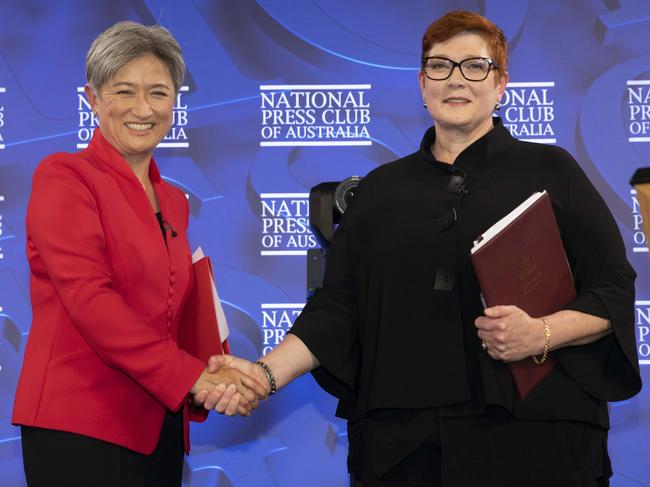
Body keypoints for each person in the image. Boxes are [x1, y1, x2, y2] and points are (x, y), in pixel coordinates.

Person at [202, 10, 642, 487]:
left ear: (501, 85)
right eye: (440, 66)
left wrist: (541, 333)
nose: (456, 80)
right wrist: (261, 376)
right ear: (422, 83)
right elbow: (335, 313)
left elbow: (613, 291)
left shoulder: (553, 171)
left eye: (475, 66)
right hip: (404, 448)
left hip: (538, 440)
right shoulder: (379, 192)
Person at [11, 21, 266, 487]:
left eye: (159, 93)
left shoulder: (173, 201)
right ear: (93, 99)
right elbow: (92, 301)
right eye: (124, 92)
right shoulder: (65, 178)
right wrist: (194, 378)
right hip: (81, 426)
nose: (142, 109)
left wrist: (216, 377)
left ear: (176, 101)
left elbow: (172, 310)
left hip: (159, 425)